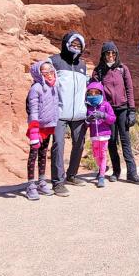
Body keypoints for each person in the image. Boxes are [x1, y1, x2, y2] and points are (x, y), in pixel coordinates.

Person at [91, 41, 139, 185]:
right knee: (112, 141)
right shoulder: (98, 71)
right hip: (108, 111)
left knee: (125, 141)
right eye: (108, 53)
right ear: (103, 55)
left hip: (123, 109)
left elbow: (129, 89)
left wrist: (132, 111)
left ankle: (132, 173)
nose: (110, 56)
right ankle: (116, 172)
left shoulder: (122, 69)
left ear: (116, 54)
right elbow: (94, 90)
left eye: (113, 53)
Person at [50, 31, 89, 196]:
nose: (76, 47)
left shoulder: (82, 65)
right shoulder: (54, 61)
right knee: (58, 145)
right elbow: (44, 80)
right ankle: (57, 182)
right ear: (66, 43)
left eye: (79, 45)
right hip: (59, 113)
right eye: (73, 43)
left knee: (79, 144)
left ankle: (72, 175)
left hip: (79, 113)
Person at [24, 60, 58, 200]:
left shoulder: (54, 86)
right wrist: (33, 130)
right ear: (39, 74)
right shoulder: (36, 88)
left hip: (48, 126)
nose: (49, 75)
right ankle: (30, 185)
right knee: (33, 155)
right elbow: (33, 110)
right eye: (45, 73)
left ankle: (42, 181)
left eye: (51, 71)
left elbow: (56, 104)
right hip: (37, 128)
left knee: (43, 154)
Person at [84, 82, 116, 188]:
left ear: (101, 93)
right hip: (94, 136)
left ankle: (101, 176)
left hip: (104, 135)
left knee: (102, 154)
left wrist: (103, 115)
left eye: (96, 93)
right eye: (91, 93)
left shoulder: (105, 105)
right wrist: (88, 120)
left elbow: (112, 119)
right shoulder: (88, 107)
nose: (93, 95)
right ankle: (103, 167)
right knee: (96, 155)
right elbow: (86, 124)